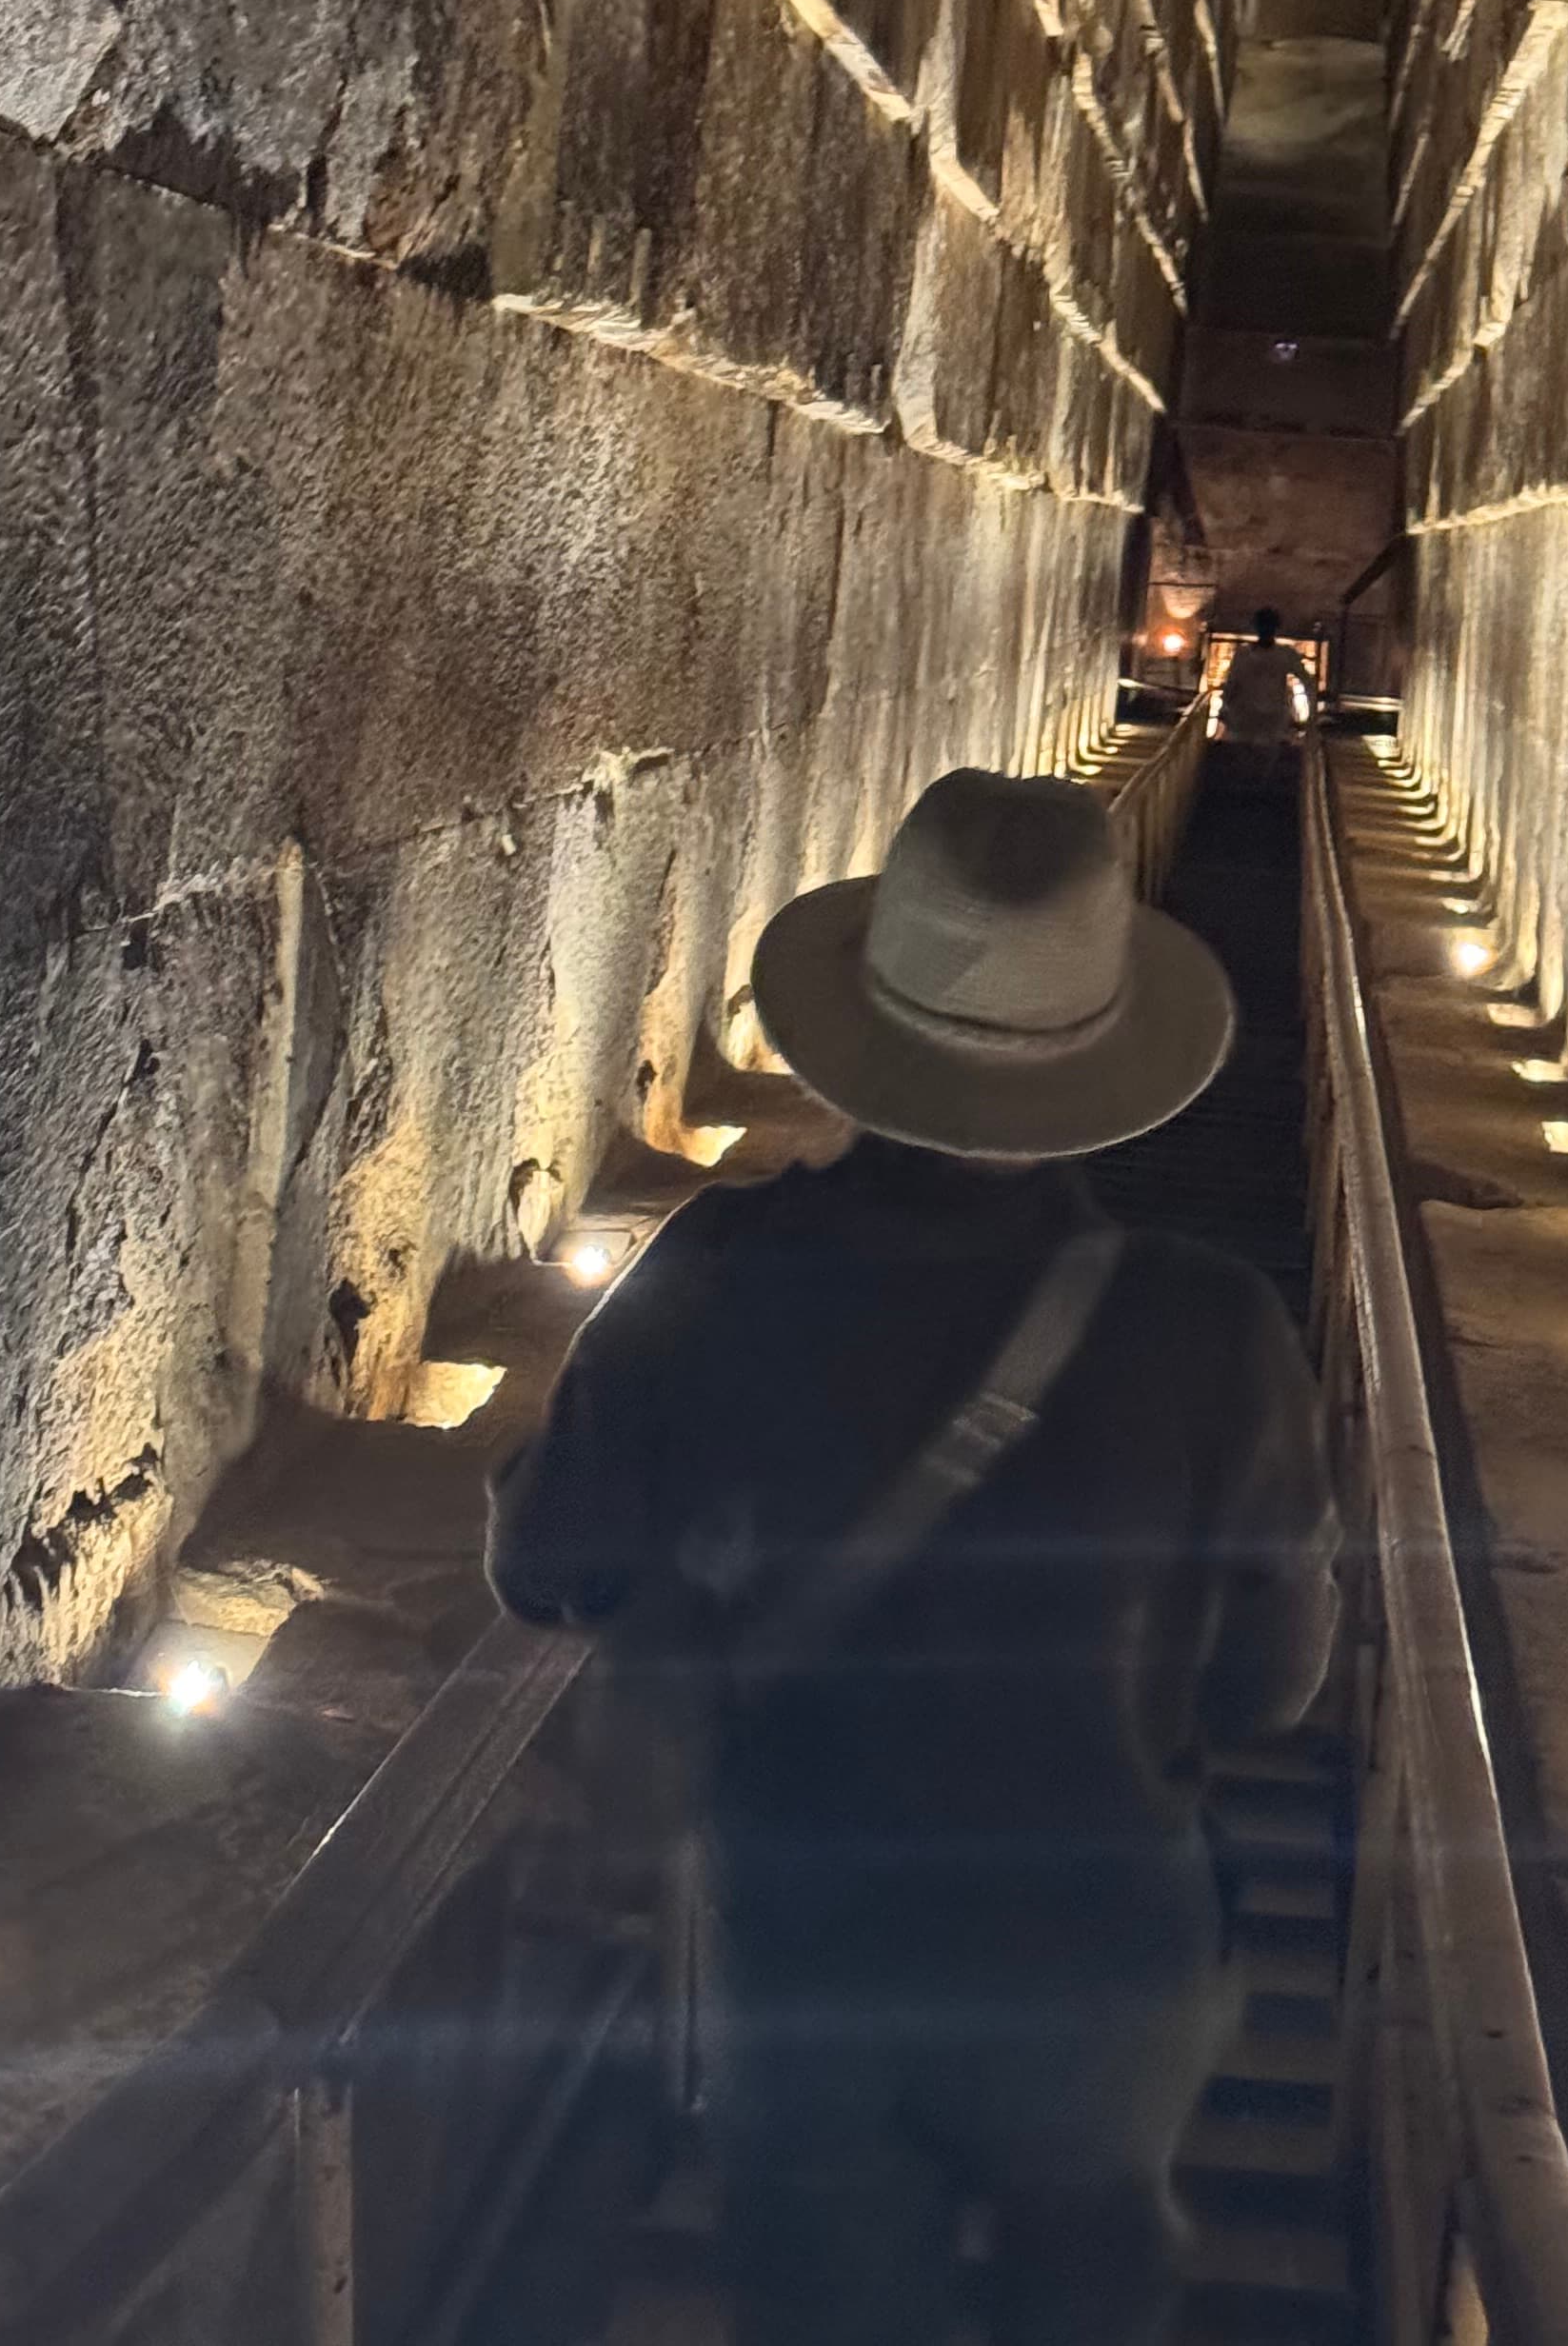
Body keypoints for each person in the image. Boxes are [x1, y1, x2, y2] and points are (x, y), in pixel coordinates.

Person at [488, 768, 1340, 2346]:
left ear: (865, 1026)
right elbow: (1270, 1681)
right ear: (1098, 1051)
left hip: (811, 1943)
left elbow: (544, 1560)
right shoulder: (1210, 1327)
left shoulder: (713, 1280)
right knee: (1087, 2283)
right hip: (1098, 1948)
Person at [1216, 607, 1314, 781]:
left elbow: (1231, 685)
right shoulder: (1247, 655)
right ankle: (1253, 786)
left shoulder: (1281, 655)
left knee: (1259, 757)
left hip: (1266, 715)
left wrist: (1310, 714)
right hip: (1249, 714)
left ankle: (1255, 786)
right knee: (1253, 757)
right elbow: (1232, 684)